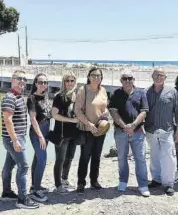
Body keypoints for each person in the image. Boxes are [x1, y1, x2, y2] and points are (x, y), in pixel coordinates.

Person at [108, 69, 150, 197]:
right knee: (121, 158)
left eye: (130, 78)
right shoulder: (116, 94)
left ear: (133, 79)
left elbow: (144, 111)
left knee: (141, 159)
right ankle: (123, 181)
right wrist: (124, 126)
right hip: (121, 132)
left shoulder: (141, 93)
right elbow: (113, 112)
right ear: (121, 81)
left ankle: (143, 185)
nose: (127, 80)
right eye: (125, 78)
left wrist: (133, 125)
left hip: (137, 132)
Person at [0, 70, 38, 209]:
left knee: (9, 165)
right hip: (13, 139)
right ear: (13, 80)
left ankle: (6, 193)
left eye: (24, 79)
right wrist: (15, 140)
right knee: (24, 166)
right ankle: (22, 199)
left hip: (15, 138)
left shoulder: (18, 96)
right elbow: (8, 120)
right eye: (19, 78)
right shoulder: (10, 97)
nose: (22, 81)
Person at [145, 67, 178, 196]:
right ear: (152, 76)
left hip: (167, 130)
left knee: (168, 157)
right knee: (154, 156)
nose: (158, 77)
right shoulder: (146, 92)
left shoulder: (172, 92)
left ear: (165, 78)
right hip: (150, 130)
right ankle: (156, 179)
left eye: (161, 75)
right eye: (156, 74)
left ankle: (168, 183)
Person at [74, 66, 109, 194]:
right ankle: (81, 183)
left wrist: (106, 112)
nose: (95, 78)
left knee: (97, 156)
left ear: (101, 78)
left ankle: (94, 181)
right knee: (85, 156)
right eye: (93, 75)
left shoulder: (103, 90)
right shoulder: (83, 90)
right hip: (87, 129)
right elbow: (77, 110)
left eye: (98, 76)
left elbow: (105, 106)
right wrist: (89, 124)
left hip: (101, 129)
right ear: (89, 77)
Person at [51, 71, 79, 194]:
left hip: (74, 133)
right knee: (60, 159)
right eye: (67, 80)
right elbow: (54, 115)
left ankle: (64, 179)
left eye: (72, 80)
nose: (69, 83)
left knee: (70, 158)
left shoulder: (77, 96)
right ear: (64, 82)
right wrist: (71, 120)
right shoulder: (59, 96)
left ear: (75, 82)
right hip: (61, 134)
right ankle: (58, 185)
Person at [27, 73, 51, 202]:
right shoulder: (32, 98)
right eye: (41, 82)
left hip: (46, 130)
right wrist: (40, 136)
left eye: (45, 82)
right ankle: (36, 192)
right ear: (35, 83)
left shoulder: (46, 96)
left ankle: (34, 186)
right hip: (37, 132)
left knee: (37, 159)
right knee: (42, 159)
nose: (43, 85)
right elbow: (33, 119)